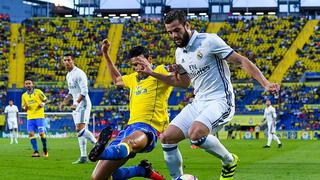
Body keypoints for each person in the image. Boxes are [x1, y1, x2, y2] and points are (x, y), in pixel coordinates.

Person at [135, 10, 280, 179]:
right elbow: (183, 83)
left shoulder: (209, 41)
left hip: (220, 101)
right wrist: (153, 73)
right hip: (199, 102)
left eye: (177, 30)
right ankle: (178, 178)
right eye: (170, 32)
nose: (174, 35)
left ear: (187, 26)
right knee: (167, 138)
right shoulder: (179, 53)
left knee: (196, 134)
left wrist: (266, 83)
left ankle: (229, 160)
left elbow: (241, 61)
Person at [89, 39, 173, 180]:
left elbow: (179, 78)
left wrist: (153, 71)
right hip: (128, 128)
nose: (137, 68)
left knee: (128, 144)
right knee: (98, 178)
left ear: (149, 59)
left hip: (148, 128)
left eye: (140, 63)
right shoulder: (133, 78)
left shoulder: (160, 71)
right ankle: (141, 170)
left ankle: (102, 151)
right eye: (134, 65)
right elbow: (117, 80)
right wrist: (105, 54)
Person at [60, 54, 97, 164]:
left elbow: (85, 92)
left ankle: (97, 144)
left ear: (73, 61)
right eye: (65, 60)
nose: (67, 62)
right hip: (76, 105)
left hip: (83, 104)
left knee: (79, 129)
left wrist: (76, 103)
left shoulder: (79, 73)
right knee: (80, 131)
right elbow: (71, 92)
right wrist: (64, 102)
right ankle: (83, 156)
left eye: (69, 60)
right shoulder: (68, 75)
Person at [22, 79, 48, 157]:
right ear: (25, 85)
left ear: (32, 84)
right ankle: (36, 151)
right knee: (31, 134)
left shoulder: (38, 91)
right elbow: (23, 106)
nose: (28, 85)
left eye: (29, 83)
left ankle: (45, 148)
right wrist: (25, 107)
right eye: (26, 84)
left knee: (41, 133)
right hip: (30, 117)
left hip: (39, 116)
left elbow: (45, 99)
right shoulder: (24, 95)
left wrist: (42, 104)